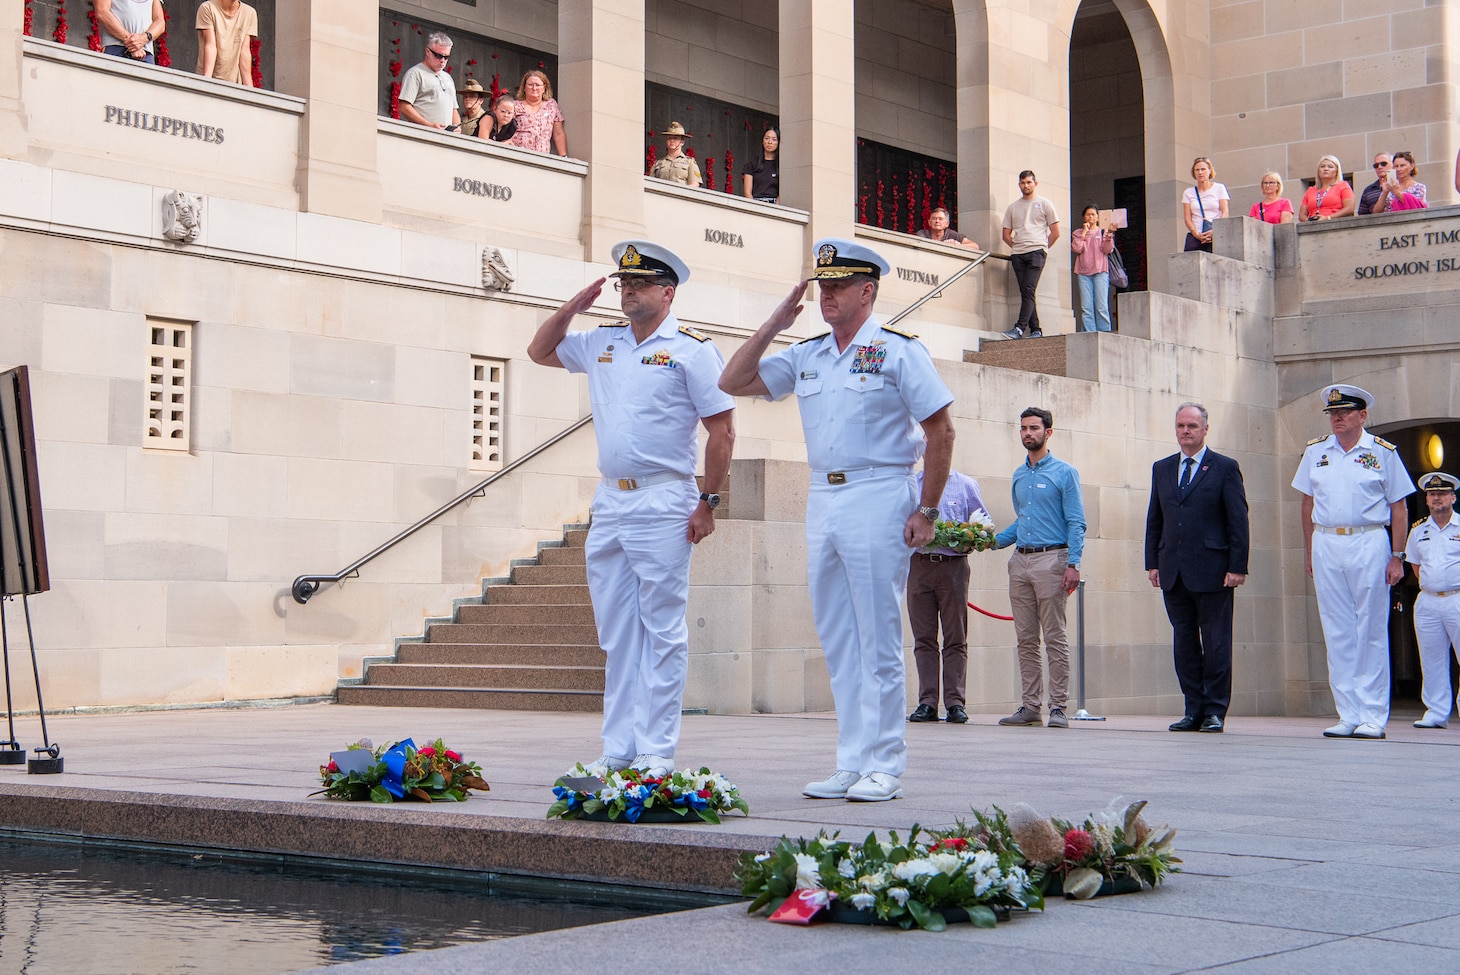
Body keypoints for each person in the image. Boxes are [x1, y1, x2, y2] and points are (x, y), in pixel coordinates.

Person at [718, 239, 956, 803]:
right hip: (823, 497)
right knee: (837, 636)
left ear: (867, 291)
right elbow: (731, 381)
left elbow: (940, 432)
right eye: (823, 286)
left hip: (878, 491)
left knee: (876, 634)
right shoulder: (809, 354)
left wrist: (927, 508)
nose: (827, 295)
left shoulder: (898, 351)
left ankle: (885, 763)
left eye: (839, 286)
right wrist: (776, 321)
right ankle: (852, 759)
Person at [526, 241, 735, 778]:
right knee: (617, 632)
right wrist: (571, 308)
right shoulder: (602, 343)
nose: (627, 291)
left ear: (668, 292)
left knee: (662, 629)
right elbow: (540, 352)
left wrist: (708, 500)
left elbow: (722, 429)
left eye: (639, 284)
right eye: (623, 284)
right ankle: (618, 748)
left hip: (665, 496)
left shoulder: (692, 350)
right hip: (611, 498)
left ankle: (655, 750)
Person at [1292, 384, 1414, 740]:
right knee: (1337, 629)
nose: (1337, 418)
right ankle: (1348, 712)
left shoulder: (1382, 452)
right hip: (1327, 541)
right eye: (1332, 413)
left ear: (1362, 416)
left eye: (1344, 412)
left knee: (1371, 629)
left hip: (1369, 540)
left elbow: (1399, 507)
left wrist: (1398, 555)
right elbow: (1306, 504)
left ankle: (1373, 715)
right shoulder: (1316, 452)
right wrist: (1309, 548)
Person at [1144, 403, 1250, 734]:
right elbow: (1155, 519)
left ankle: (1215, 710)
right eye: (1180, 426)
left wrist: (1238, 565)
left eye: (1192, 425)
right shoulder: (1162, 468)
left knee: (1217, 643)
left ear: (1205, 429)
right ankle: (1193, 708)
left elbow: (1238, 520)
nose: (1185, 431)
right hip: (1173, 570)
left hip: (1214, 571)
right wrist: (1152, 562)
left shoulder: (1224, 467)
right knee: (1184, 643)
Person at [991, 407, 1085, 729]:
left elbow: (1076, 521)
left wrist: (1073, 563)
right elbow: (1023, 521)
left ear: (1048, 432)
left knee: (1055, 637)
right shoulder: (1019, 475)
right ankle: (1030, 706)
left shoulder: (1064, 473)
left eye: (1033, 428)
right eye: (1023, 428)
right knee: (1025, 638)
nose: (1027, 433)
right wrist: (990, 541)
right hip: (1020, 561)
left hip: (1053, 560)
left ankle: (1058, 707)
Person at [907, 469, 988, 725]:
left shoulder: (966, 485)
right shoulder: (911, 484)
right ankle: (927, 702)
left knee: (955, 636)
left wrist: (972, 539)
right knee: (923, 637)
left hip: (953, 567)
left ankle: (955, 703)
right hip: (918, 565)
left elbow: (982, 522)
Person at [1403, 472, 1460, 730]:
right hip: (1428, 601)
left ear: (1453, 497)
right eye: (1432, 494)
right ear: (1426, 500)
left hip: (1457, 597)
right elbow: (1415, 565)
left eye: (1442, 493)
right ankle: (1436, 711)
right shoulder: (1418, 530)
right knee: (1431, 658)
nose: (1437, 498)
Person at [1001, 171, 1060, 339]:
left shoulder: (1044, 204)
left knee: (1028, 289)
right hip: (1018, 254)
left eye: (1028, 182)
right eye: (1022, 183)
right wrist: (1017, 246)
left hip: (1037, 252)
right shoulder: (1013, 207)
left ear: (1035, 183)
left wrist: (1042, 247)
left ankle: (1019, 328)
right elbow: (1005, 234)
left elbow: (1056, 232)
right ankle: (1036, 330)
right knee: (1027, 291)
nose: (1025, 186)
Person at [398, 33, 460, 131]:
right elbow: (404, 106)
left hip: (446, 138)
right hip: (423, 134)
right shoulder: (415, 73)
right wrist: (429, 125)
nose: (442, 61)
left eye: (446, 57)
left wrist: (457, 127)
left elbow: (454, 109)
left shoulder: (448, 78)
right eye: (438, 56)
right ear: (428, 52)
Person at [1069, 205, 1115, 332]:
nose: (1091, 217)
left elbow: (1108, 249)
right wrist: (1084, 233)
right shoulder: (1077, 233)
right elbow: (1077, 248)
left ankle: (1104, 331)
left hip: (1100, 271)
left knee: (1101, 306)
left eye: (1093, 214)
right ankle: (1089, 333)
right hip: (1083, 272)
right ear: (1084, 217)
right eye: (1088, 214)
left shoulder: (1103, 231)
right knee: (1086, 307)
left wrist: (1110, 234)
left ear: (1098, 217)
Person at [194, 0, 258, 87]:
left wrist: (251, 91)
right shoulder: (207, 8)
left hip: (233, 84)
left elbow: (244, 51)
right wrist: (206, 83)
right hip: (210, 79)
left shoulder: (249, 13)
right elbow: (211, 45)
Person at [510, 70, 566, 156]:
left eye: (537, 85)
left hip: (541, 157)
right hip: (517, 154)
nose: (534, 88)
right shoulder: (514, 105)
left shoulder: (551, 105)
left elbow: (558, 133)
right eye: (530, 85)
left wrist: (563, 156)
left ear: (544, 88)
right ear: (524, 88)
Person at [1182, 157, 1228, 252]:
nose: (1200, 172)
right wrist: (1196, 234)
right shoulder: (1188, 192)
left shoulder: (1219, 188)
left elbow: (1225, 212)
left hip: (1215, 234)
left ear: (1210, 170)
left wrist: (1215, 231)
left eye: (1203, 169)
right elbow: (1187, 218)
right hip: (1196, 235)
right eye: (1197, 170)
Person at [97, 0, 165, 64]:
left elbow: (160, 22)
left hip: (145, 53)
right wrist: (132, 42)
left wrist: (143, 38)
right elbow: (102, 12)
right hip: (116, 48)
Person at [1298, 155, 1356, 222]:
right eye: (1322, 166)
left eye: (1330, 167)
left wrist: (1328, 218)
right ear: (1318, 171)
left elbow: (1349, 208)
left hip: (1335, 223)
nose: (1325, 169)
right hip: (1313, 225)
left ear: (1337, 171)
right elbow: (1302, 214)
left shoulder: (1343, 186)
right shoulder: (1310, 190)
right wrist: (1307, 220)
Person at [649, 122, 702, 188]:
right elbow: (650, 184)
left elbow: (694, 184)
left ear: (682, 142)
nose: (672, 140)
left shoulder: (690, 162)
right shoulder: (658, 163)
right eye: (669, 138)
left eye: (676, 138)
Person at [741, 126, 779, 203]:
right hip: (756, 203)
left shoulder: (780, 166)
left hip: (774, 205)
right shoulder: (752, 164)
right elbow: (747, 193)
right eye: (767, 138)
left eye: (774, 139)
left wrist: (776, 208)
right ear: (762, 141)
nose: (770, 142)